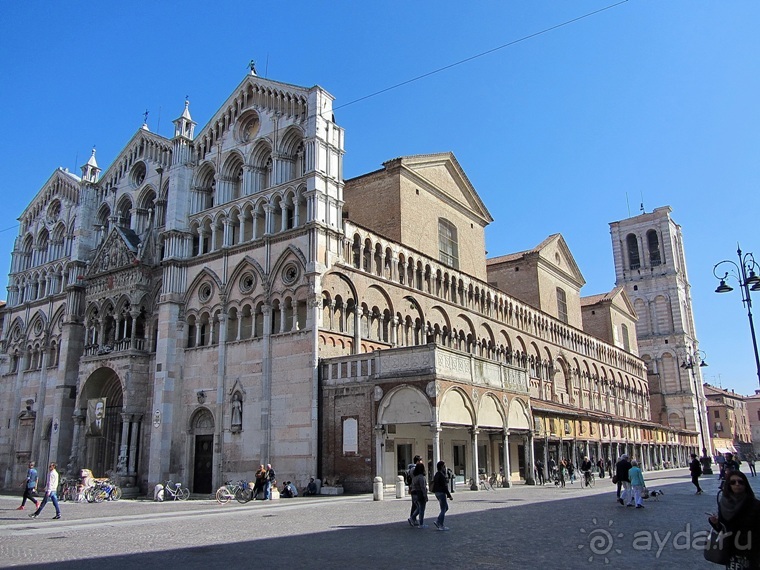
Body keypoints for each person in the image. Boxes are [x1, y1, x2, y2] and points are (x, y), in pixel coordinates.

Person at [708, 470, 760, 568]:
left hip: (751, 553)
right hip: (731, 552)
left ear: (745, 484)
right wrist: (715, 523)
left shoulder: (755, 504)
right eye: (733, 482)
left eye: (740, 482)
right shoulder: (724, 504)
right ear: (729, 485)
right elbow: (723, 530)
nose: (737, 484)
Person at [432, 460, 453, 531]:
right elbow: (445, 486)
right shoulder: (441, 475)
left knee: (445, 508)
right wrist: (449, 495)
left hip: (437, 492)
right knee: (443, 508)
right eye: (444, 466)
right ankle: (440, 524)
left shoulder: (437, 474)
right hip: (441, 493)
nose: (445, 468)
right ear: (441, 467)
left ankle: (438, 520)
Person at [409, 463, 429, 528]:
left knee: (418, 508)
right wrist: (425, 495)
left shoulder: (414, 477)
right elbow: (423, 487)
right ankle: (421, 523)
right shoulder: (421, 477)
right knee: (421, 509)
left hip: (414, 493)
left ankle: (412, 517)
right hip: (420, 494)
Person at [407, 455, 423, 526]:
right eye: (420, 460)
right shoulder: (414, 469)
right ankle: (412, 518)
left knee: (414, 504)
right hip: (416, 488)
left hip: (413, 488)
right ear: (417, 461)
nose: (422, 462)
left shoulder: (412, 469)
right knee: (417, 505)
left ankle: (413, 518)